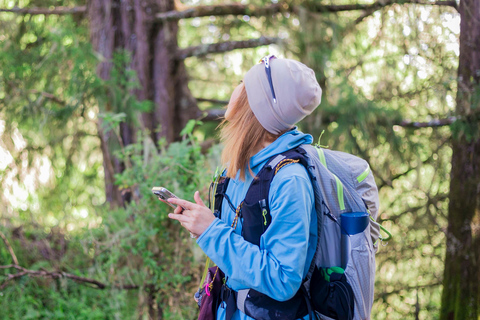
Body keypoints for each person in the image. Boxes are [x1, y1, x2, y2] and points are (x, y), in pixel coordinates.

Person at [167, 55, 322, 320]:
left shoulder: (289, 180)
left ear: (255, 106)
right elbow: (243, 239)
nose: (235, 89)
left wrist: (212, 231)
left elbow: (283, 279)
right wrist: (202, 223)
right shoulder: (243, 166)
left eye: (244, 84)